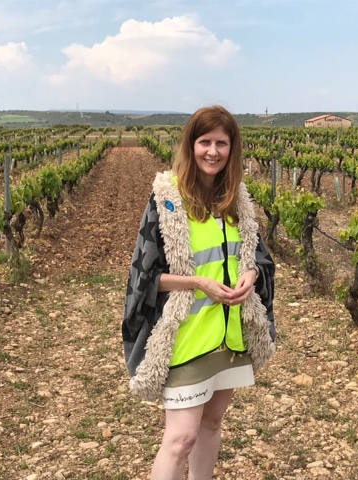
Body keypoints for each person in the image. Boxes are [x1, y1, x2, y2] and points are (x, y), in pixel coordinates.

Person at [122, 105, 276, 480]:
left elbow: (259, 257)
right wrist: (198, 283)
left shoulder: (238, 200)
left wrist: (252, 275)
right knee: (180, 439)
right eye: (204, 141)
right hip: (186, 338)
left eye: (221, 143)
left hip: (230, 335)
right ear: (191, 146)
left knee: (212, 423)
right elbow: (144, 278)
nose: (212, 151)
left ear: (232, 148)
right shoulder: (167, 200)